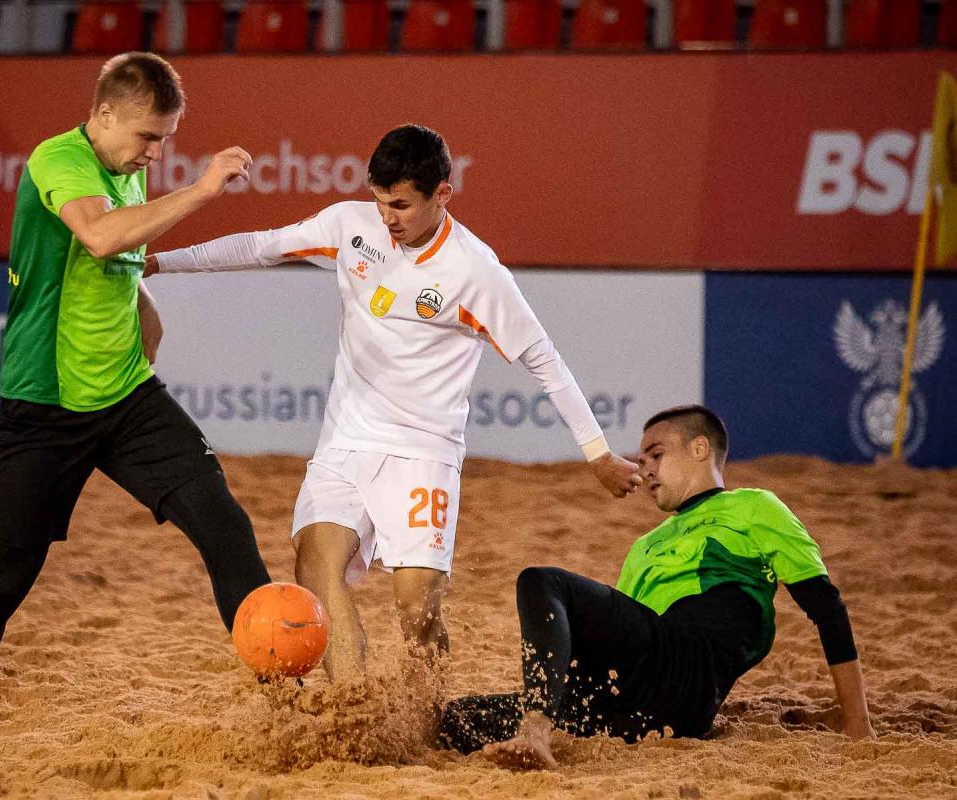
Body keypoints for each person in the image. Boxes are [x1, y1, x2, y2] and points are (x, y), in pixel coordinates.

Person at [144, 124, 642, 682]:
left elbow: (544, 361)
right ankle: (351, 704)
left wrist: (598, 453)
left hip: (423, 452)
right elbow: (260, 247)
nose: (387, 218)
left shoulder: (476, 272)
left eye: (401, 205)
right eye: (380, 202)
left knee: (416, 607)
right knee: (315, 568)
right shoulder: (351, 226)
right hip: (345, 442)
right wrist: (160, 262)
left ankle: (424, 716)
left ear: (442, 194)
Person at [0, 52, 272, 735]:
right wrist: (202, 191)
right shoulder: (57, 160)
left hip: (127, 397)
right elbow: (100, 235)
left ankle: (285, 700)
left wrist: (144, 309)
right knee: (4, 582)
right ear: (105, 114)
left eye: (166, 139)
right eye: (148, 137)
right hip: (44, 407)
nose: (156, 153)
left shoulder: (125, 167)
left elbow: (117, 261)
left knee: (225, 527)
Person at [438, 404, 875, 769]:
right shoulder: (644, 545)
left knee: (541, 581)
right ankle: (538, 719)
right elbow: (618, 642)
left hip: (689, 677)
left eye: (655, 455)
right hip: (631, 709)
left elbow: (827, 608)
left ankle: (537, 729)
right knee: (455, 718)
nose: (643, 468)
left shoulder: (753, 506)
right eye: (641, 459)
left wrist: (857, 722)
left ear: (699, 449)